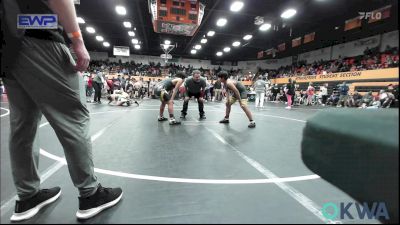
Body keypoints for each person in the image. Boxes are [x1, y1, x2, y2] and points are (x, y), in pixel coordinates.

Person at [1, 0, 122, 221]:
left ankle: (28, 196)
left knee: (23, 123)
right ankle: (90, 194)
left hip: (6, 44)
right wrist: (77, 38)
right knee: (74, 115)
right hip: (37, 33)